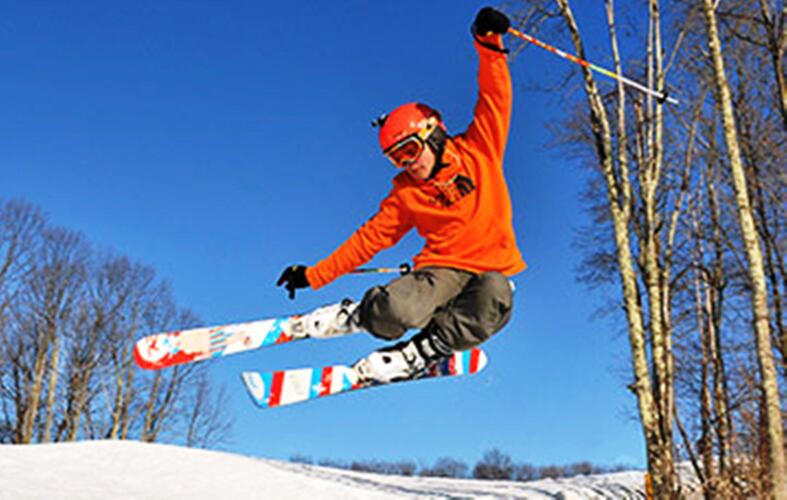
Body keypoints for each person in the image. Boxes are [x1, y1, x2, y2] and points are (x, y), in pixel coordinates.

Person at [277, 6, 525, 384]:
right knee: (399, 309)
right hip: (440, 271)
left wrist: (488, 41)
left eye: (409, 150)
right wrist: (312, 276)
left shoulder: (479, 150)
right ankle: (357, 315)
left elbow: (495, 97)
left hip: (489, 273)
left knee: (497, 295)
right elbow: (366, 241)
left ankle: (421, 352)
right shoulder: (407, 194)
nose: (407, 163)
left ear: (433, 135)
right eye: (396, 158)